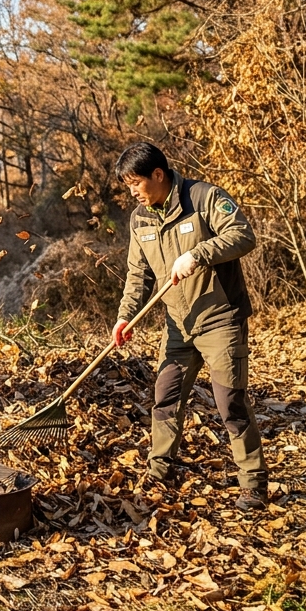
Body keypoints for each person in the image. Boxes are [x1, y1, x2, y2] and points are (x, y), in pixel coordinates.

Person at [111, 142, 270, 510]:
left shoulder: (203, 198)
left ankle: (253, 484)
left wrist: (197, 254)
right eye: (127, 186)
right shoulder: (141, 219)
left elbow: (243, 235)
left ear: (158, 174)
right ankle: (159, 472)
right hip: (178, 325)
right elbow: (138, 274)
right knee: (165, 397)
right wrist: (125, 315)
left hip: (221, 319)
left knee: (229, 402)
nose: (133, 192)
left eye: (136, 183)